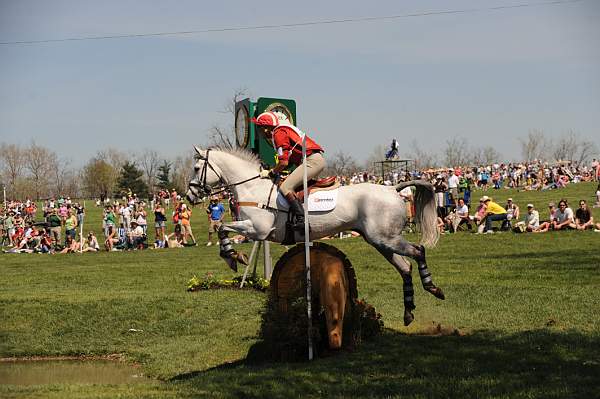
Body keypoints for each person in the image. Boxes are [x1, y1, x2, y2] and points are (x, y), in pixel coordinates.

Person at [253, 111, 326, 229]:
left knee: (285, 187)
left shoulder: (278, 133)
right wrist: (274, 170)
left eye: (259, 128)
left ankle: (302, 220)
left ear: (266, 128)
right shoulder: (282, 130)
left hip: (312, 161)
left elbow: (283, 162)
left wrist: (272, 172)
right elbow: (290, 161)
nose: (259, 132)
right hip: (313, 159)